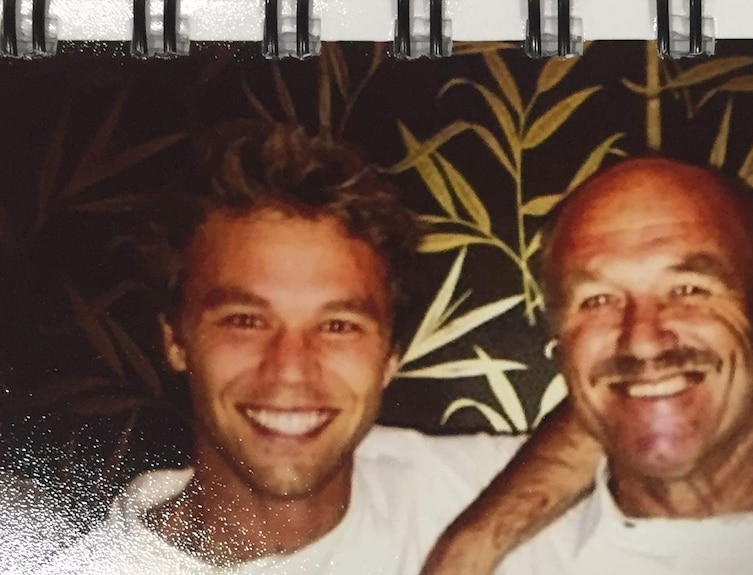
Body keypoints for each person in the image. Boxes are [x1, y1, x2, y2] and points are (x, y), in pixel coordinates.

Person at [35, 120, 556, 575]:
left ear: (390, 356)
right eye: (245, 321)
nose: (290, 371)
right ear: (176, 341)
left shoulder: (459, 489)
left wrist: (472, 545)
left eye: (338, 326)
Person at [422, 157, 753, 574]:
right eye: (598, 300)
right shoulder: (452, 513)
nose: (643, 340)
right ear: (558, 340)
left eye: (688, 288)